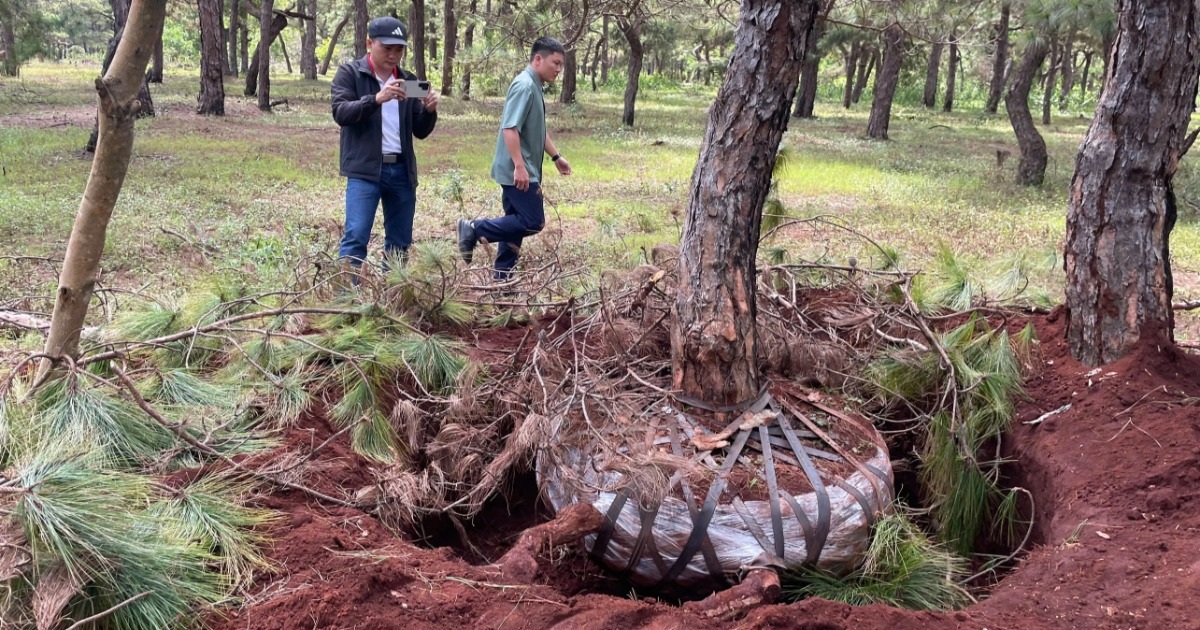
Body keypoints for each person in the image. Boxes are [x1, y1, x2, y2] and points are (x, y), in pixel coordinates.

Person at [456, 37, 573, 280]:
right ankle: (474, 229)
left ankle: (502, 282)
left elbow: (537, 130)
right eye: (556, 63)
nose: (559, 69)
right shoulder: (525, 86)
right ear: (538, 59)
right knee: (532, 221)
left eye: (561, 65)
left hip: (522, 167)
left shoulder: (534, 85)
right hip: (518, 171)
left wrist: (556, 157)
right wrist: (519, 166)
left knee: (514, 226)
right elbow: (510, 129)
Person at [331, 16, 439, 273]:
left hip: (401, 170)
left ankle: (394, 299)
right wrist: (376, 99)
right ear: (369, 43)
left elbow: (420, 131)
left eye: (399, 49)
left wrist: (430, 111)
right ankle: (346, 300)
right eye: (387, 48)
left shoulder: (408, 80)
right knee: (356, 236)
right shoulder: (351, 74)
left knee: (400, 242)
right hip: (365, 170)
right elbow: (341, 113)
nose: (393, 55)